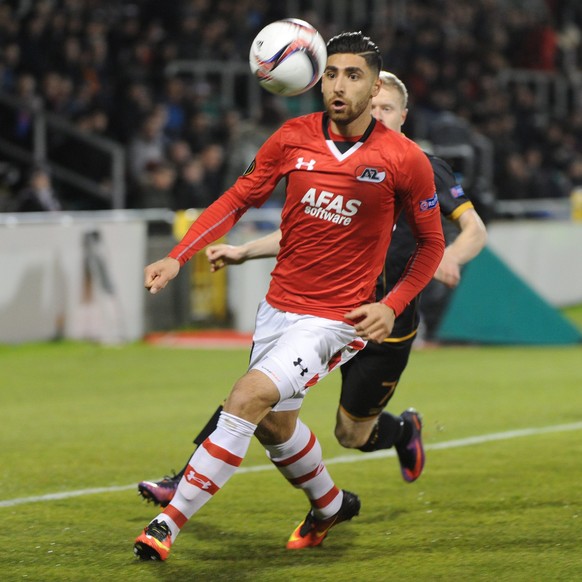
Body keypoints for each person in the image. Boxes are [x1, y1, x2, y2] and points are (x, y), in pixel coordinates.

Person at [134, 33, 445, 562]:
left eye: (353, 76)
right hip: (279, 306)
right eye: (332, 74)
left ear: (374, 88)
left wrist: (391, 304)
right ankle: (329, 504)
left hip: (334, 319)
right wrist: (179, 255)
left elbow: (432, 243)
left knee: (247, 398)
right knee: (275, 425)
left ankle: (168, 522)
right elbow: (238, 198)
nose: (339, 85)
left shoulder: (404, 159)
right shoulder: (292, 138)